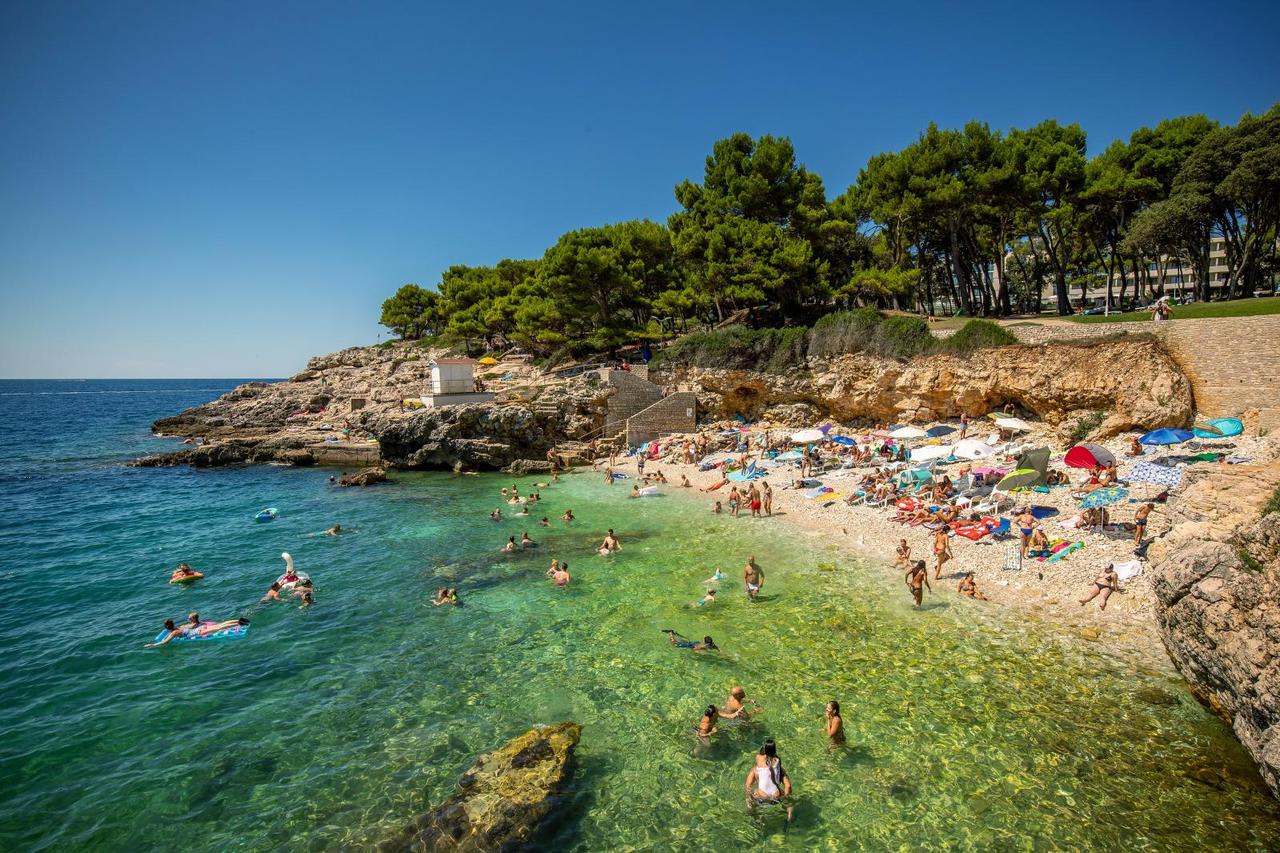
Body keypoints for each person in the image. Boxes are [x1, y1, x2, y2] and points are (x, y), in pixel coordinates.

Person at [745, 739, 792, 818]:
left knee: (749, 790)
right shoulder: (778, 760)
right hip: (776, 795)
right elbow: (788, 786)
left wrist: (750, 795)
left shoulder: (758, 758)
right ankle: (789, 814)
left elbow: (748, 786)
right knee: (787, 795)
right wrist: (786, 796)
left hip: (762, 795)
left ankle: (752, 812)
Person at [147, 615, 247, 646]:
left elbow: (165, 642)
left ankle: (240, 623)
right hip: (199, 628)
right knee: (220, 624)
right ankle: (238, 620)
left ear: (167, 628)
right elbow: (192, 625)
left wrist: (153, 645)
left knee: (218, 628)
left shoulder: (174, 632)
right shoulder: (179, 627)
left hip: (199, 632)